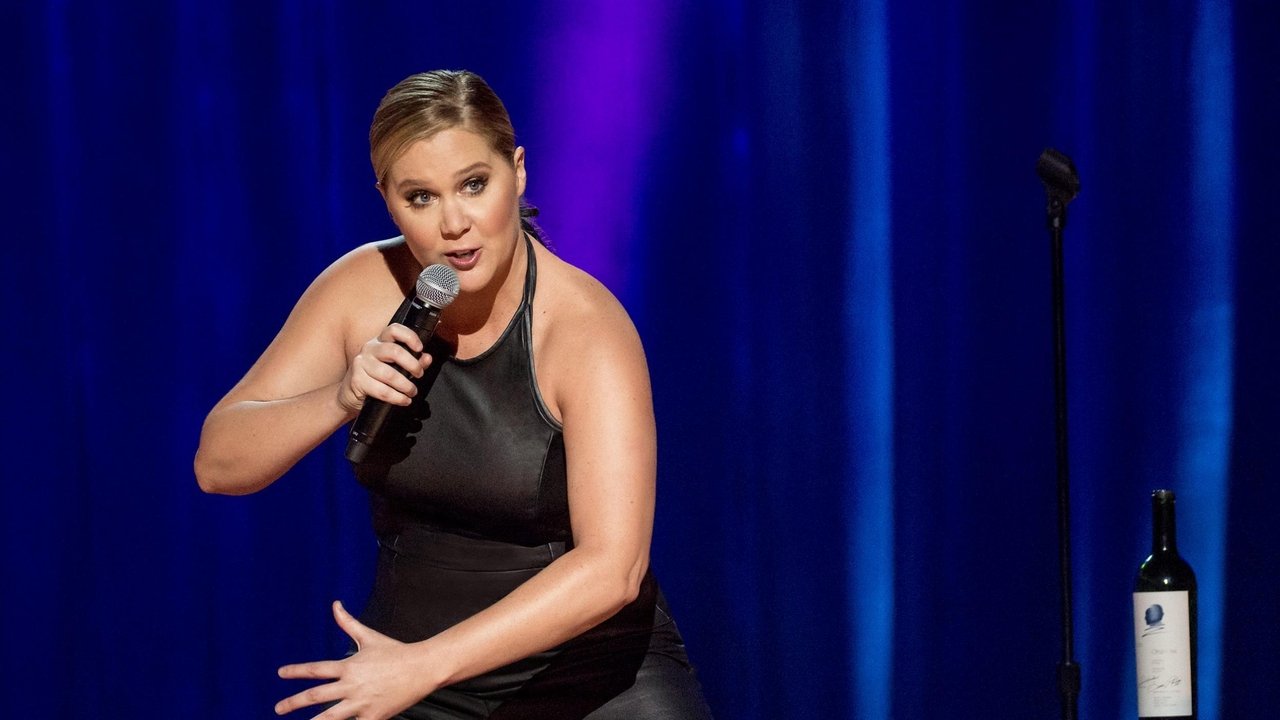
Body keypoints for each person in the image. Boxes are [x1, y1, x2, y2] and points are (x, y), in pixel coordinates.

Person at [194, 70, 712, 720]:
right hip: (412, 672)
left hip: (590, 682)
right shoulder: (360, 288)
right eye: (420, 197)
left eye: (474, 184)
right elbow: (218, 465)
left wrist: (425, 665)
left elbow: (613, 569)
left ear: (516, 172)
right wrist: (341, 396)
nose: (454, 224)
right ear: (387, 201)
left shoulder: (585, 328)